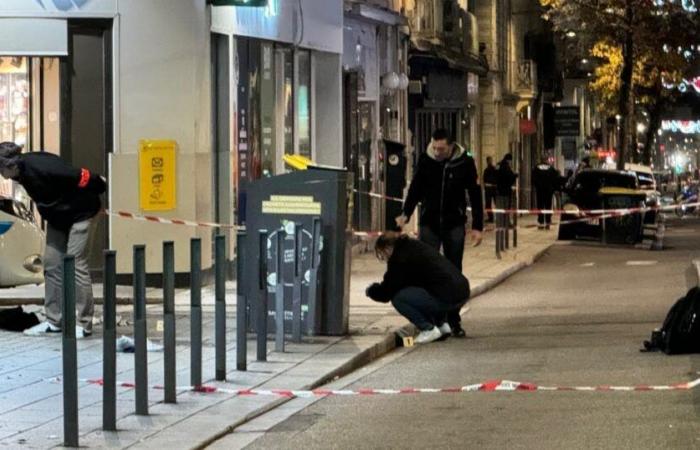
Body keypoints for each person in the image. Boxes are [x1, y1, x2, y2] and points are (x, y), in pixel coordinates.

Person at [0, 142, 106, 338]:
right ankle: (54, 321)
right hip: (58, 218)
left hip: (81, 214)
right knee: (51, 262)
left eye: (0, 169)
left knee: (75, 263)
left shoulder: (40, 166)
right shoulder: (20, 173)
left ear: (9, 165)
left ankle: (84, 323)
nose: (1, 174)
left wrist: (99, 184)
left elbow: (78, 174)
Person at [394, 128, 483, 337]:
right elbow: (416, 187)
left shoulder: (465, 163)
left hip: (454, 223)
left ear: (451, 146)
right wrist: (406, 213)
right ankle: (434, 319)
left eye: (441, 148)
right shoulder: (427, 160)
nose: (437, 151)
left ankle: (453, 320)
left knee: (453, 272)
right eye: (434, 147)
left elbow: (475, 194)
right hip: (429, 223)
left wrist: (478, 226)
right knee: (427, 270)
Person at [365, 232, 470, 344]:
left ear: (387, 248)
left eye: (382, 254)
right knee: (423, 292)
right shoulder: (414, 246)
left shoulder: (399, 258)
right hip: (462, 292)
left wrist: (370, 291)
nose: (384, 257)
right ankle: (442, 326)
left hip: (447, 297)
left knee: (398, 298)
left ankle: (428, 329)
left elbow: (387, 292)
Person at [531, 157, 560, 229]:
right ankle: (548, 221)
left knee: (540, 205)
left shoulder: (536, 168)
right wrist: (554, 188)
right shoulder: (551, 168)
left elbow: (533, 179)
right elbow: (555, 179)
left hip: (540, 190)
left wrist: (537, 186)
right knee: (548, 206)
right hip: (548, 190)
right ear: (546, 160)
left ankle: (541, 222)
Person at [483, 156, 498, 223]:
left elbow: (485, 180)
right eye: (489, 160)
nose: (490, 162)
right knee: (489, 204)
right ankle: (491, 218)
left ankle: (493, 218)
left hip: (492, 188)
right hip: (490, 189)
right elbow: (484, 180)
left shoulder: (492, 169)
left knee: (494, 203)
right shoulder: (488, 170)